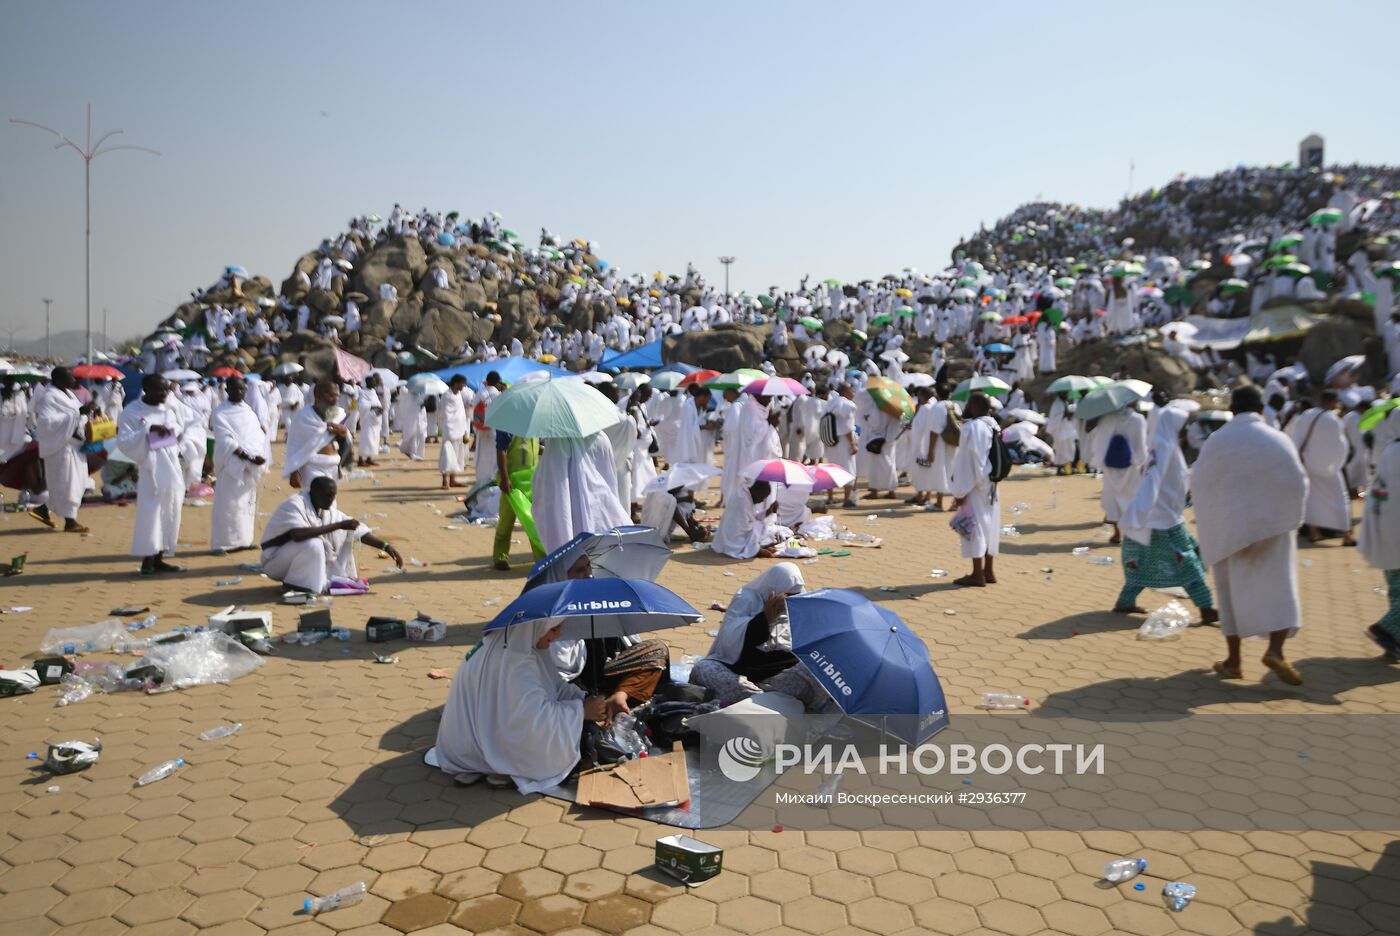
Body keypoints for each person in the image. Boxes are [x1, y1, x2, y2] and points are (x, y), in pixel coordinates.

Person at [1191, 385, 1307, 685]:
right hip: (1271, 526)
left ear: (1232, 409)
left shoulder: (1217, 441)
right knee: (1278, 589)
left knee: (1229, 596)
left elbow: (1200, 483)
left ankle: (1233, 661)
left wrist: (1216, 522)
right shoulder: (1276, 438)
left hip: (1228, 528)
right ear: (1261, 408)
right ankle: (1276, 651)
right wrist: (1283, 517)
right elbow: (1298, 481)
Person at [434, 617, 617, 792]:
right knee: (581, 740)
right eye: (553, 629)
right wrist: (582, 711)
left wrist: (587, 700)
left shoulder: (517, 643)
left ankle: (493, 763)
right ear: (537, 627)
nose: (558, 635)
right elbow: (534, 720)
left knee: (582, 730)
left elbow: (555, 687)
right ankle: (506, 766)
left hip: (465, 744)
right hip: (476, 745)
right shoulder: (516, 661)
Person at [1113, 405, 1218, 623]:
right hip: (1160, 520)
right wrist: (1140, 511)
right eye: (1183, 425)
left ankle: (1125, 602)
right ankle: (1206, 608)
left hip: (1164, 516)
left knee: (1142, 562)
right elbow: (1152, 480)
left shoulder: (1167, 446)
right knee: (1188, 563)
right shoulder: (1163, 447)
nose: (1186, 430)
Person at [688, 563, 825, 707]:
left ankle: (764, 701)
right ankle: (767, 701)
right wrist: (765, 618)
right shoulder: (746, 599)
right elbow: (729, 644)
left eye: (794, 595)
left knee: (818, 670)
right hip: (741, 671)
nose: (789, 600)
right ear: (773, 590)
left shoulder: (800, 604)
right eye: (786, 595)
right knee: (704, 669)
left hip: (777, 677)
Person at [261, 476, 402, 594]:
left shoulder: (328, 512)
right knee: (314, 543)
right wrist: (339, 526)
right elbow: (297, 534)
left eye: (334, 495)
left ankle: (306, 584)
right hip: (274, 561)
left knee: (335, 538)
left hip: (293, 560)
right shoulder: (294, 504)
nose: (331, 499)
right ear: (314, 493)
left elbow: (355, 530)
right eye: (328, 495)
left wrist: (385, 546)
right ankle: (295, 585)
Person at [117, 375, 186, 575]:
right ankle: (147, 560)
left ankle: (160, 558)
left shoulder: (169, 407)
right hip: (150, 471)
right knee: (151, 515)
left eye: (166, 390)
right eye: (160, 390)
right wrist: (148, 431)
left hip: (171, 466)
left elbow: (179, 428)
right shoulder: (132, 411)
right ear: (147, 389)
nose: (164, 394)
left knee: (170, 513)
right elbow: (125, 442)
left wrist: (169, 432)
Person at [532, 431, 631, 554]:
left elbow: (550, 486)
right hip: (602, 512)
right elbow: (610, 480)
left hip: (572, 516)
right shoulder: (602, 438)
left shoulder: (558, 442)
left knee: (575, 562)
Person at [210, 377, 271, 553]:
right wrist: (248, 456)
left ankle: (244, 540)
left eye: (243, 390)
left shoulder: (249, 411)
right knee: (227, 505)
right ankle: (222, 543)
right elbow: (225, 440)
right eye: (235, 389)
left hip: (249, 467)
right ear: (227, 390)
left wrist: (256, 455)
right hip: (231, 464)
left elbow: (257, 435)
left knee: (246, 504)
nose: (239, 393)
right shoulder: (220, 412)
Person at [1286, 390, 1354, 545]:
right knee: (1340, 499)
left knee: (1311, 499)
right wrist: (1336, 464)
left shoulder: (1306, 415)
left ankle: (1314, 533)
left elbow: (1297, 437)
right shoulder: (1333, 419)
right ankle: (1346, 536)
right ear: (1332, 401)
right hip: (1330, 468)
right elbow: (1340, 445)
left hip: (1307, 464)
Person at [948, 392, 1000, 587]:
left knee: (975, 527)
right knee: (990, 525)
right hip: (991, 483)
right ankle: (989, 570)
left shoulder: (972, 428)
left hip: (975, 486)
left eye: (969, 404)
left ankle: (977, 574)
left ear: (976, 407)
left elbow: (968, 463)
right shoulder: (992, 424)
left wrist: (960, 492)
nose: (966, 408)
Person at [31, 366, 91, 533]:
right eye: (70, 378)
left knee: (74, 482)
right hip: (61, 446)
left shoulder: (69, 393)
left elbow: (78, 413)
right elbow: (46, 423)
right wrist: (77, 413)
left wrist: (87, 411)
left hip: (75, 445)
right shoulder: (49, 397)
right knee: (68, 483)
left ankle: (43, 509)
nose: (74, 380)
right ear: (57, 380)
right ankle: (70, 521)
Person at [1358, 430, 1400, 662]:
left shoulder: (1391, 450)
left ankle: (1392, 642)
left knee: (1396, 588)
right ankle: (1384, 629)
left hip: (1387, 529)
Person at [1093, 403, 1149, 544]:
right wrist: (1140, 462)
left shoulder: (1107, 419)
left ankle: (1117, 533)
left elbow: (1100, 441)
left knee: (1113, 499)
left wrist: (1101, 461)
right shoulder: (1138, 419)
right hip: (1131, 467)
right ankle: (1131, 534)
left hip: (1111, 465)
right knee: (1131, 498)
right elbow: (1141, 445)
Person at [493, 427, 543, 571]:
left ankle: (542, 559)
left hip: (532, 481)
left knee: (533, 521)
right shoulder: (507, 423)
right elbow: (501, 450)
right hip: (512, 483)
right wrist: (504, 478)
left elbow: (533, 447)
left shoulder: (534, 422)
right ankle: (500, 557)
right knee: (506, 521)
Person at [283, 379, 346, 488]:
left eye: (337, 396)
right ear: (318, 396)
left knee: (330, 501)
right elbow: (293, 445)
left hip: (333, 466)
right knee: (314, 500)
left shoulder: (339, 414)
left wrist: (342, 432)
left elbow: (345, 440)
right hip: (312, 466)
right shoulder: (302, 416)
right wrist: (293, 471)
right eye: (331, 396)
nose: (335, 400)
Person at [712, 478, 783, 560]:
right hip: (734, 543)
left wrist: (768, 511)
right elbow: (747, 527)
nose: (761, 501)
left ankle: (755, 548)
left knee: (761, 526)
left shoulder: (742, 493)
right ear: (757, 493)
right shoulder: (743, 501)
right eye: (762, 498)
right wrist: (756, 549)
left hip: (726, 538)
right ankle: (753, 550)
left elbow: (751, 517)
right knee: (760, 526)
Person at [908, 387, 951, 509]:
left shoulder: (930, 408)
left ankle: (926, 497)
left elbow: (928, 430)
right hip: (946, 444)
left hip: (927, 444)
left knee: (928, 472)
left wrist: (929, 449)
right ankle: (927, 495)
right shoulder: (951, 405)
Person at [820, 383, 858, 507]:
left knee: (831, 469)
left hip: (831, 441)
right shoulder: (847, 405)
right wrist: (852, 444)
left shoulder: (830, 404)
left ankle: (830, 497)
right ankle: (846, 499)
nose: (853, 393)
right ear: (845, 392)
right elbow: (848, 428)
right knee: (848, 469)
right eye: (851, 390)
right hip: (843, 442)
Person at [438, 374, 472, 488]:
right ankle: (445, 481)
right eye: (462, 383)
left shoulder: (458, 395)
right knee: (447, 456)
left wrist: (464, 430)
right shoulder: (446, 396)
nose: (464, 386)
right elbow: (446, 414)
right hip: (449, 430)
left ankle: (453, 480)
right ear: (456, 383)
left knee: (457, 456)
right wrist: (449, 429)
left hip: (460, 430)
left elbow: (461, 413)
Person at [355, 374, 384, 467]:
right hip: (367, 419)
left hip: (375, 419)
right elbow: (361, 405)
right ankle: (360, 459)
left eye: (374, 381)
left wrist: (379, 408)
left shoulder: (373, 392)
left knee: (374, 439)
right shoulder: (363, 392)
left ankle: (369, 458)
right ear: (367, 382)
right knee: (366, 439)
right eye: (372, 381)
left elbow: (377, 403)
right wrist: (372, 406)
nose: (374, 383)